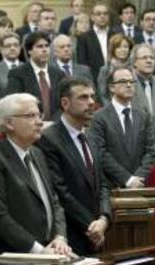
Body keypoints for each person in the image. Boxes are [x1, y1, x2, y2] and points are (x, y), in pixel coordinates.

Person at [37, 77, 111, 255]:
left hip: (97, 233)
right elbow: (60, 192)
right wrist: (91, 226)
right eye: (83, 97)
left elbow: (102, 185)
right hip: (70, 237)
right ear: (65, 103)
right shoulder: (48, 139)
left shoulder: (92, 136)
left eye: (92, 96)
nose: (92, 102)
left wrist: (104, 219)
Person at [0, 93, 72, 255]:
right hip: (14, 256)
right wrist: (38, 250)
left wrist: (60, 237)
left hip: (49, 249)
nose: (39, 122)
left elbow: (54, 201)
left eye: (39, 115)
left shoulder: (38, 153)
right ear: (9, 123)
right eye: (30, 116)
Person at [89, 67, 155, 189]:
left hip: (141, 185)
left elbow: (150, 151)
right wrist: (127, 179)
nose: (129, 85)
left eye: (131, 81)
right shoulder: (99, 117)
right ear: (111, 87)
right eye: (123, 82)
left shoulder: (143, 116)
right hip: (112, 187)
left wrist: (138, 178)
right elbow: (101, 153)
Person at [6, 32, 65, 121]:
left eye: (47, 46)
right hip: (29, 124)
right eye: (40, 46)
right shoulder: (17, 74)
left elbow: (63, 103)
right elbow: (15, 105)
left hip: (55, 126)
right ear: (29, 51)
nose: (45, 50)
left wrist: (53, 124)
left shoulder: (58, 74)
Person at [77, 2, 113, 84]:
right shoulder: (84, 37)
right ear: (92, 17)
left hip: (114, 80)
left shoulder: (115, 35)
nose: (102, 16)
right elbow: (82, 63)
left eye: (105, 14)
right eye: (98, 14)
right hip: (93, 80)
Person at [97, 33, 134, 105]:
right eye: (119, 47)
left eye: (125, 47)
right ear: (113, 50)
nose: (123, 50)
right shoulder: (105, 70)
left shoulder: (133, 68)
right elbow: (102, 94)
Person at [0, 32, 22, 103]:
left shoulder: (29, 68)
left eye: (15, 45)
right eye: (8, 46)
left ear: (20, 47)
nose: (12, 48)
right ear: (1, 49)